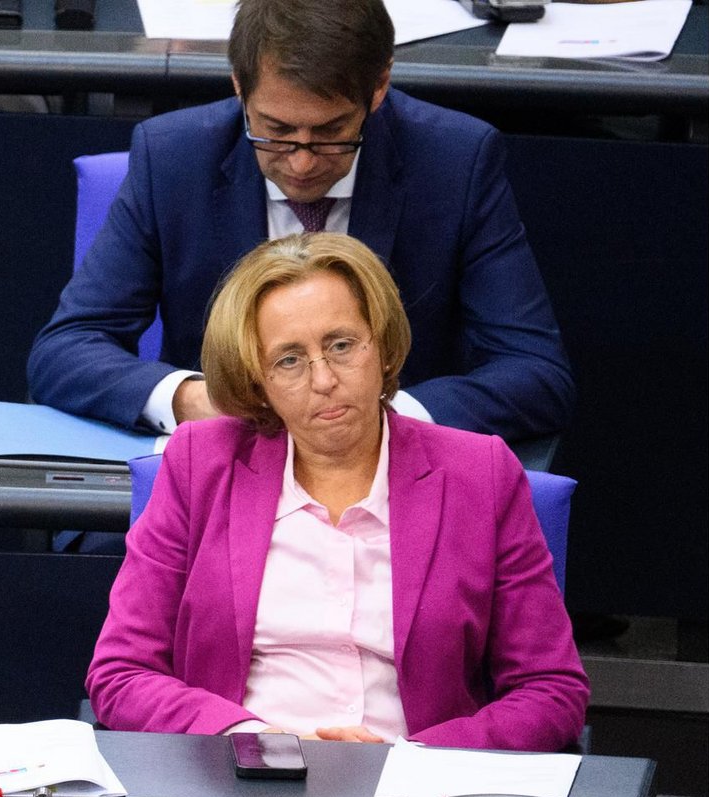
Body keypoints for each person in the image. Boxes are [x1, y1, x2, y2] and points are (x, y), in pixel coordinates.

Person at [86, 232, 588, 751]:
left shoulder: (478, 474)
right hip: (238, 783)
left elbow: (550, 691)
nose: (323, 379)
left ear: (384, 348)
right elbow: (122, 673)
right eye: (288, 360)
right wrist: (258, 739)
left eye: (341, 345)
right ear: (257, 380)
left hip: (415, 794)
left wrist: (414, 760)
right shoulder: (201, 464)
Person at [28, 0, 573, 445]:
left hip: (388, 483)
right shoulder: (173, 159)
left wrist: (382, 417)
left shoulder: (456, 162)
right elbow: (66, 350)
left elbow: (535, 374)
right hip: (222, 476)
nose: (303, 161)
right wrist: (194, 400)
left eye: (333, 131)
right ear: (239, 87)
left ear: (378, 88)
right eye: (276, 130)